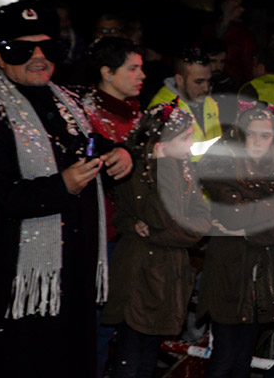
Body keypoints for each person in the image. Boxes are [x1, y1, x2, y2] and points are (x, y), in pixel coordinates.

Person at [0, 0, 133, 377]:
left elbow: (91, 144)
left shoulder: (69, 103)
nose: (37, 58)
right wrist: (59, 187)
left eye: (47, 48)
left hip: (74, 277)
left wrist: (120, 154)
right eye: (21, 48)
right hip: (15, 284)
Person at [102, 102, 211, 378]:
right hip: (140, 274)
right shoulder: (139, 170)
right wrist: (164, 167)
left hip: (168, 274)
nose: (190, 145)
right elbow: (162, 215)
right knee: (131, 354)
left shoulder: (182, 169)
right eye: (185, 137)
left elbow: (200, 223)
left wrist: (160, 233)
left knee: (148, 354)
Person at [197, 101, 274, 377]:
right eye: (252, 133)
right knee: (224, 357)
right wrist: (270, 209)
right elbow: (233, 215)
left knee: (243, 359)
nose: (258, 141)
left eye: (265, 135)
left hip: (261, 277)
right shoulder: (223, 166)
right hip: (228, 274)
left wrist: (248, 230)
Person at [80, 35, 147, 377]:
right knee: (96, 327)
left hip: (129, 239)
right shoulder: (85, 116)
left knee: (121, 326)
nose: (142, 75)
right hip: (99, 238)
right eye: (133, 68)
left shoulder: (137, 116)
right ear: (107, 72)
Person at [149, 47, 222, 160]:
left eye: (208, 81)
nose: (206, 88)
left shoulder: (209, 102)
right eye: (199, 82)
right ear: (179, 80)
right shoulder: (162, 109)